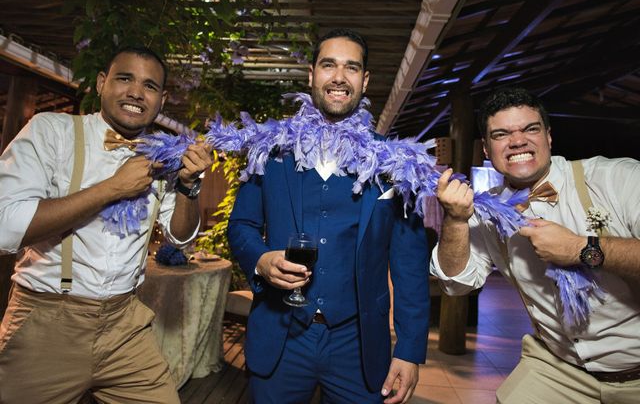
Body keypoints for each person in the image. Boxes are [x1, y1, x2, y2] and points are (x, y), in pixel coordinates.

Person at [227, 28, 430, 403]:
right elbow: (241, 226)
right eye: (329, 65)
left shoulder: (396, 164)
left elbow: (409, 264)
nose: (339, 77)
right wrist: (261, 260)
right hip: (281, 338)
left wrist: (409, 348)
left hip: (357, 344)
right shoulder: (271, 151)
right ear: (311, 75)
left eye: (351, 68)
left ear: (365, 81)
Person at [0, 46, 212, 404]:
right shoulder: (52, 131)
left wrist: (190, 188)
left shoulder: (163, 155)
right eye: (124, 78)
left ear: (162, 99)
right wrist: (111, 188)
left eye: (149, 85)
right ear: (101, 83)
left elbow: (180, 236)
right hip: (47, 322)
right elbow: (5, 227)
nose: (135, 92)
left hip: (126, 324)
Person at [431, 87, 640, 404]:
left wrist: (582, 249)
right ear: (486, 149)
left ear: (549, 137)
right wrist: (456, 220)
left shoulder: (616, 179)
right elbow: (454, 284)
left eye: (530, 129)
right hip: (559, 367)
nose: (517, 141)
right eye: (501, 134)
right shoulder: (486, 213)